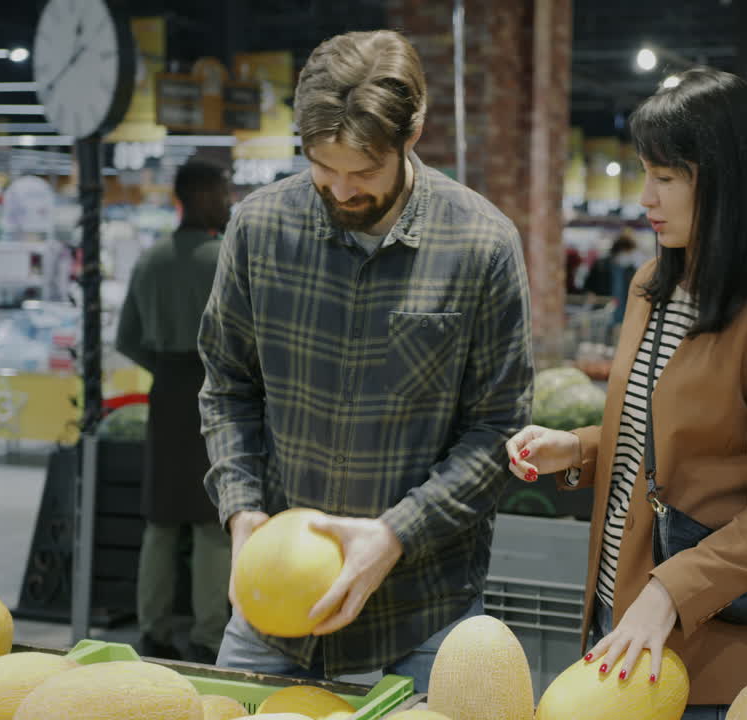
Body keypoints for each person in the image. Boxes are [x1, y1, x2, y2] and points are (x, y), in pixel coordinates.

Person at [197, 30, 533, 691]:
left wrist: (397, 532)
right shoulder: (259, 228)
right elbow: (228, 387)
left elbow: (497, 431)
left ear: (414, 133)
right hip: (274, 604)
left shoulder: (481, 245)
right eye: (324, 168)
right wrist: (242, 510)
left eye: (365, 173)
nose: (342, 190)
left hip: (423, 607)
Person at [506, 67, 747, 717]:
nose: (645, 196)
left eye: (667, 178)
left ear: (727, 185)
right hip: (617, 617)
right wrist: (579, 447)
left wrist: (669, 591)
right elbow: (664, 437)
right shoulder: (653, 286)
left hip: (704, 645)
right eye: (644, 173)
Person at [116, 160, 233, 663]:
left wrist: (165, 365)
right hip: (217, 394)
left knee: (160, 521)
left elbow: (126, 338)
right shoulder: (223, 258)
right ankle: (208, 636)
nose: (228, 201)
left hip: (165, 393)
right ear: (203, 196)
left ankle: (153, 631)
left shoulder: (150, 260)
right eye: (222, 192)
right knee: (212, 521)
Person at [584, 231, 640, 325]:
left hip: (624, 315)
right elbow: (588, 285)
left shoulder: (631, 269)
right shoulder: (601, 265)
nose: (629, 255)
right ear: (620, 249)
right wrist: (591, 295)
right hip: (602, 312)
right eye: (627, 251)